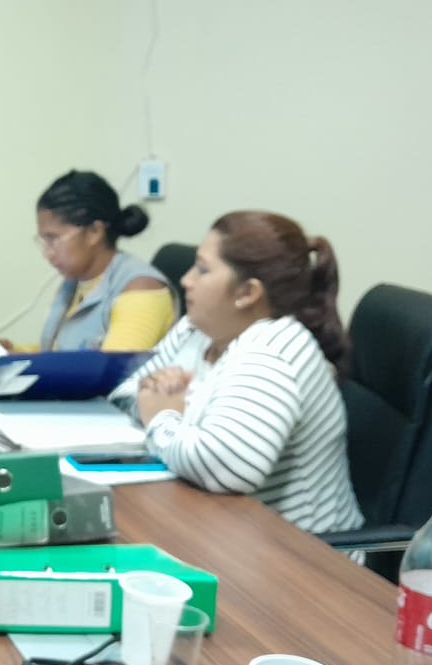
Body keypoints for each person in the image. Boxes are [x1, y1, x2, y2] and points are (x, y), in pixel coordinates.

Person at [108, 211, 364, 535]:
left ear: (247, 293)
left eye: (202, 270)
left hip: (300, 553)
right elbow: (121, 392)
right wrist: (155, 402)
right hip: (219, 526)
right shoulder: (195, 329)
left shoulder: (274, 351)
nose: (186, 280)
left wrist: (162, 417)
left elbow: (223, 468)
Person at [0, 170, 175, 352]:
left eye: (53, 239)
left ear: (94, 232)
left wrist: (7, 361)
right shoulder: (76, 282)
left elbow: (111, 373)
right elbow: (57, 355)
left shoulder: (140, 287)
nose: (47, 254)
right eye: (43, 241)